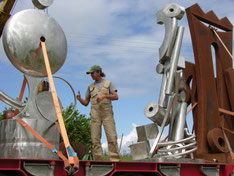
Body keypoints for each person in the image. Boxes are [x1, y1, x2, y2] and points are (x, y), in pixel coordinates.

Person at [77, 65, 120, 161]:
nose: (91, 75)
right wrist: (79, 99)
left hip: (107, 115)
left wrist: (105, 96)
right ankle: (97, 161)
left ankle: (115, 160)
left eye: (92, 73)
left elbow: (116, 97)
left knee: (112, 138)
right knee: (95, 140)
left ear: (98, 72)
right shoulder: (90, 87)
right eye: (90, 74)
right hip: (95, 115)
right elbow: (86, 103)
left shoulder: (108, 83)